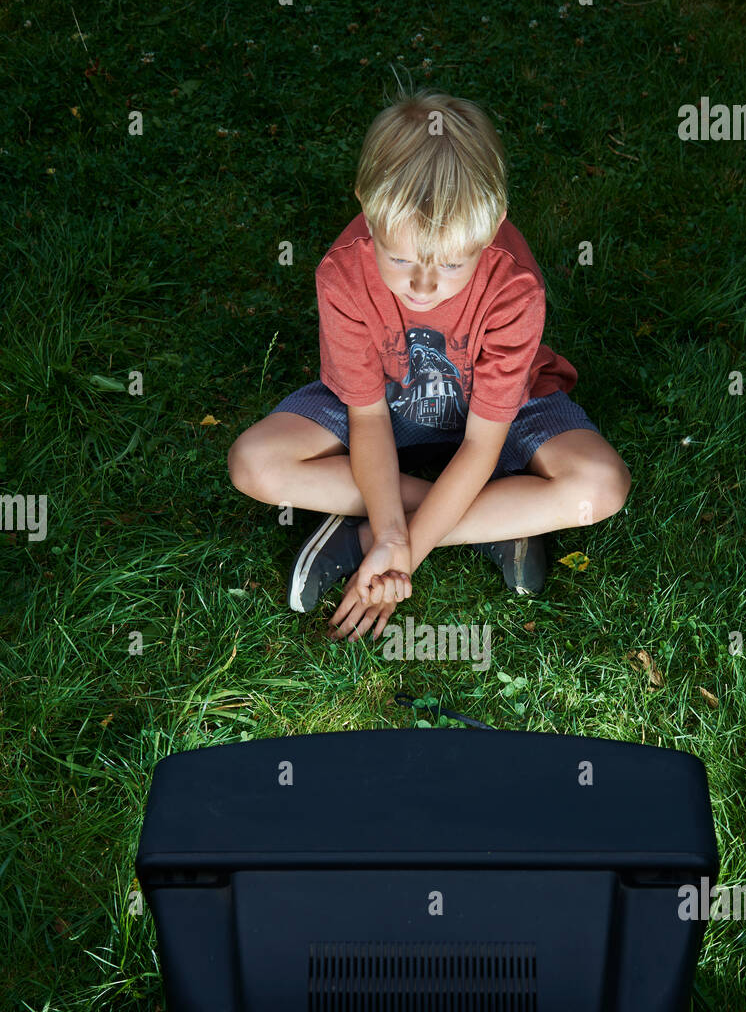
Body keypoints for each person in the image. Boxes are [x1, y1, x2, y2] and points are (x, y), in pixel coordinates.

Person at [227, 89, 631, 643]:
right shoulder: (341, 274)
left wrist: (399, 551)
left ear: (491, 229)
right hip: (387, 402)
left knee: (600, 486)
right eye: (399, 259)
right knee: (254, 463)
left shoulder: (514, 285)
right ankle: (501, 523)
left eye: (449, 264)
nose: (422, 285)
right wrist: (393, 531)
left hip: (499, 411)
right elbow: (366, 418)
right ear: (366, 206)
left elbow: (482, 444)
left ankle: (356, 535)